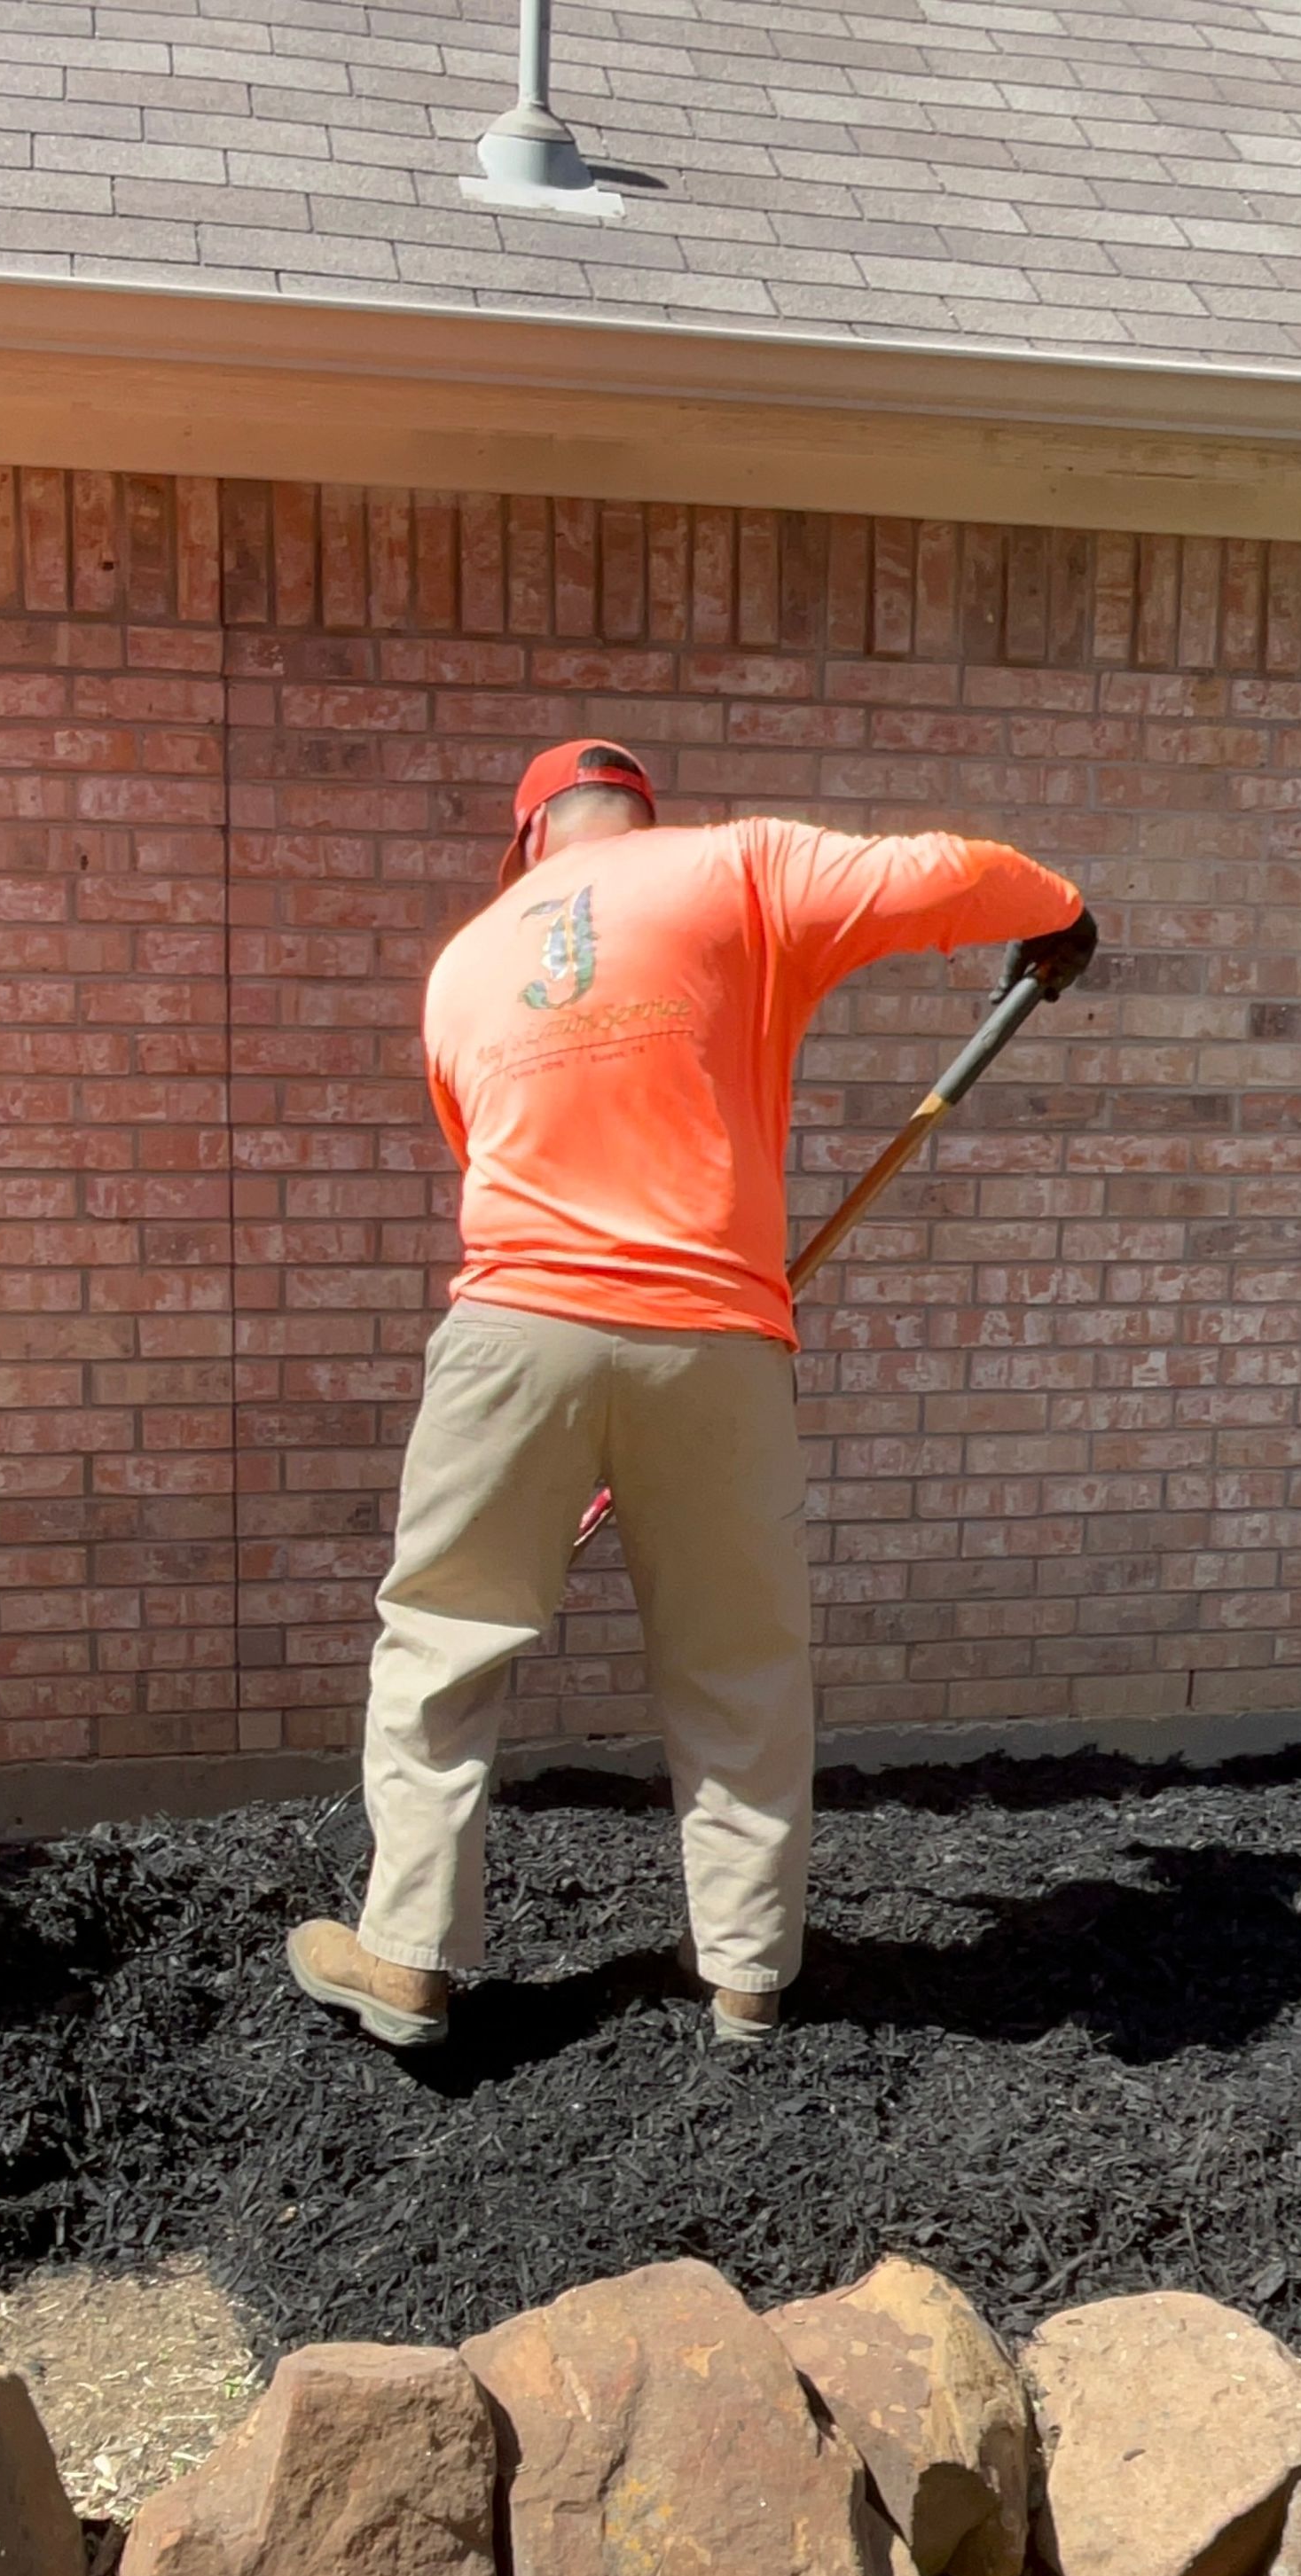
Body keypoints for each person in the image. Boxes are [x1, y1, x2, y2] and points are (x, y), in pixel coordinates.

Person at [287, 739, 1097, 2055]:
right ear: (640, 814)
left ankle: (407, 1957)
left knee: (442, 1637)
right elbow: (944, 876)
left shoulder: (465, 964)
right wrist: (1058, 915)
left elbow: (485, 1146)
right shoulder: (742, 869)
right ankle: (749, 1978)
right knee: (740, 1663)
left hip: (515, 1333)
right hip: (713, 1343)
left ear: (532, 836)